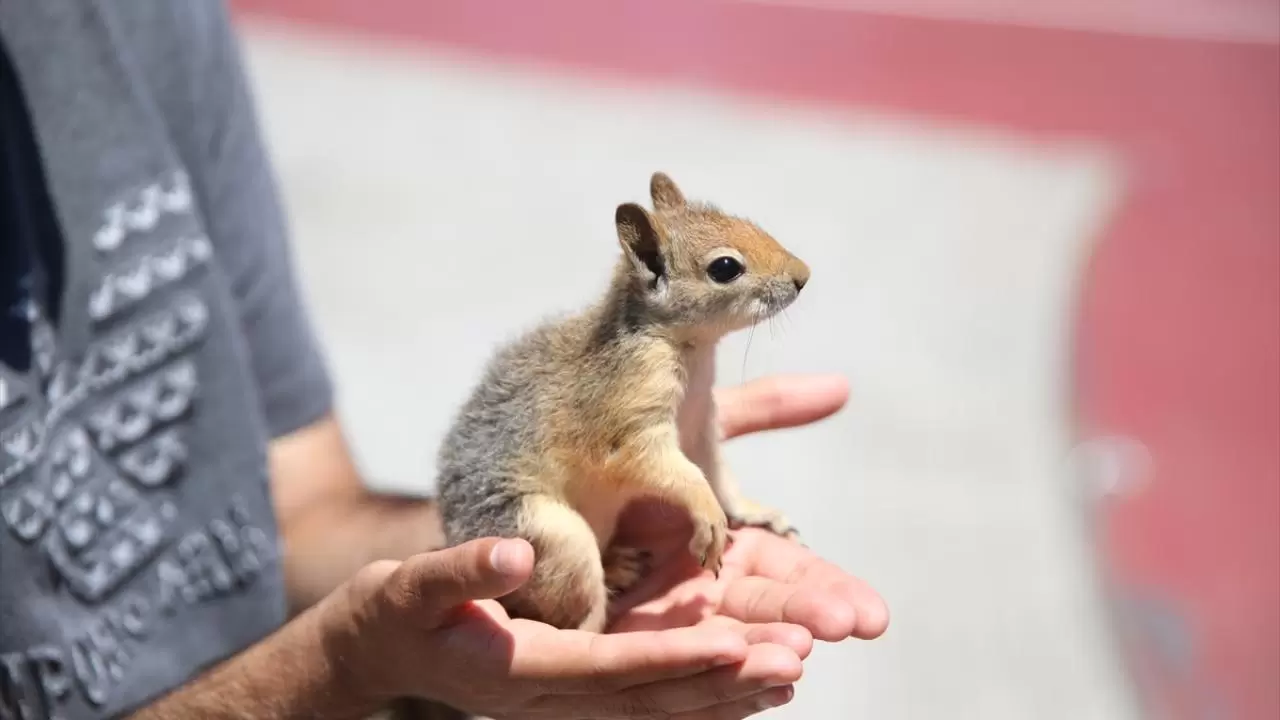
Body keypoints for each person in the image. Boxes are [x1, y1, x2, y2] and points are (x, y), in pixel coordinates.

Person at [0, 2, 888, 718]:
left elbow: (301, 507)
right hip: (519, 513)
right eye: (732, 274)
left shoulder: (136, 22)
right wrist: (340, 668)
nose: (790, 284)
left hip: (399, 574)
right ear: (652, 271)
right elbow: (634, 448)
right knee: (576, 565)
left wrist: (718, 498)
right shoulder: (637, 359)